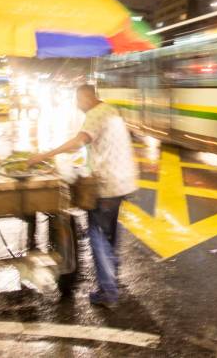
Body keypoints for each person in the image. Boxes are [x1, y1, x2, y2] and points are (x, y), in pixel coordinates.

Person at [27, 84, 137, 308]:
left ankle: (108, 291)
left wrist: (44, 156)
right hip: (124, 182)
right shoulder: (110, 110)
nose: (77, 107)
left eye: (78, 101)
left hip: (107, 185)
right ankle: (112, 280)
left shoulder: (95, 115)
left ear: (86, 97)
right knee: (110, 235)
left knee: (97, 236)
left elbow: (79, 142)